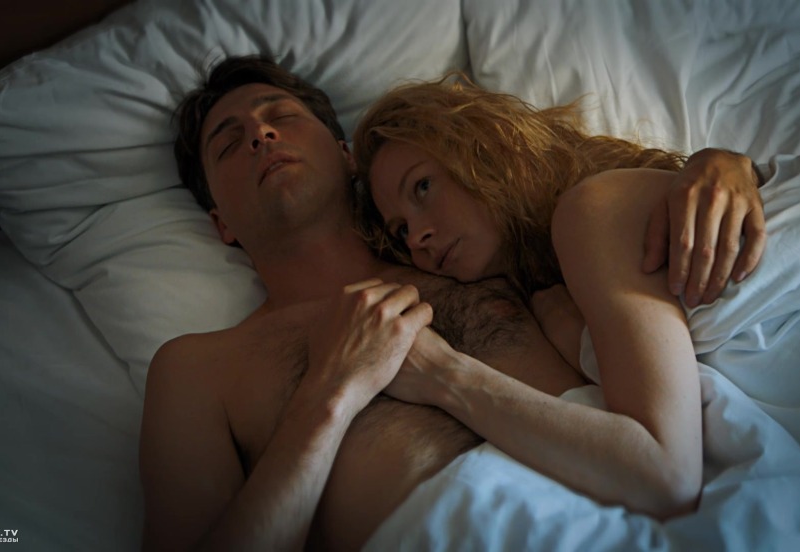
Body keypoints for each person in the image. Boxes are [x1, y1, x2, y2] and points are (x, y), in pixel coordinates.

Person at [139, 55, 765, 551]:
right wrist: (328, 391)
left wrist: (725, 164)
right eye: (229, 144)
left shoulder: (471, 250)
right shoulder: (197, 370)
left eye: (281, 115)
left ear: (346, 154)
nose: (261, 134)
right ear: (220, 223)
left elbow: (594, 195)